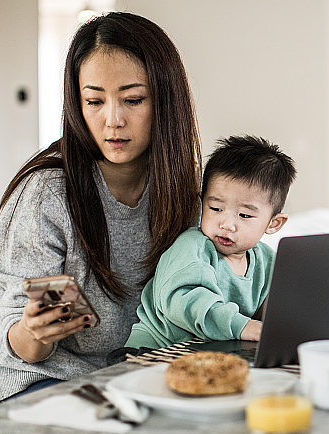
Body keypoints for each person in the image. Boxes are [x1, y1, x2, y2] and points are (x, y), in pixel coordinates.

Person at [0, 12, 203, 410]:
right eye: (94, 101)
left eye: (132, 99)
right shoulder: (48, 193)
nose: (113, 120)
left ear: (165, 100)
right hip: (36, 379)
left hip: (128, 377)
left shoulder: (186, 188)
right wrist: (36, 330)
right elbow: (24, 348)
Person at [125, 135, 296, 349]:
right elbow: (186, 301)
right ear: (202, 203)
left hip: (206, 353)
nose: (227, 224)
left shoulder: (266, 260)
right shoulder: (192, 247)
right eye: (216, 209)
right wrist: (241, 326)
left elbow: (269, 312)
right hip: (153, 350)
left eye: (244, 215)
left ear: (274, 223)